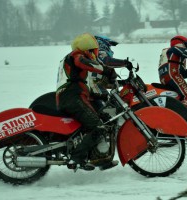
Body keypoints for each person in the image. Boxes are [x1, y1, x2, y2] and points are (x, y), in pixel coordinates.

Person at [56, 33, 117, 170]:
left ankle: (100, 158)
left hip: (73, 96)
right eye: (94, 49)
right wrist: (106, 70)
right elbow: (84, 63)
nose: (95, 52)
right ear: (89, 49)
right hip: (72, 98)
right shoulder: (76, 56)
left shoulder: (70, 60)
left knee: (101, 119)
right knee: (98, 127)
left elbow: (81, 84)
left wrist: (99, 96)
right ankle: (76, 159)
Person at [88, 35, 133, 105]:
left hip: (93, 85)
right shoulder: (100, 51)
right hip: (92, 86)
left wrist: (124, 82)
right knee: (107, 105)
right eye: (109, 46)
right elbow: (107, 61)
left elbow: (107, 83)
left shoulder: (99, 67)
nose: (110, 48)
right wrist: (125, 63)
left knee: (110, 103)